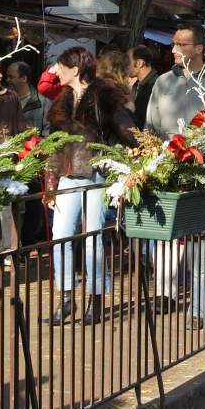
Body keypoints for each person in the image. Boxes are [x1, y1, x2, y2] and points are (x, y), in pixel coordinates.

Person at [143, 25, 205, 322]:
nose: (172, 49)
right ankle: (166, 292)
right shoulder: (161, 82)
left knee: (202, 243)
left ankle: (199, 307)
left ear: (199, 48)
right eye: (172, 43)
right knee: (165, 237)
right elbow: (151, 127)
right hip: (168, 171)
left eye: (180, 44)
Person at [44, 46, 137, 325]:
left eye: (60, 66)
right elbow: (53, 147)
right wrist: (51, 184)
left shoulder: (103, 95)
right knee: (60, 236)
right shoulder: (63, 100)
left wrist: (142, 151)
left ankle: (95, 299)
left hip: (96, 171)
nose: (55, 71)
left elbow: (126, 129)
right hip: (68, 173)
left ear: (75, 69)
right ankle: (67, 298)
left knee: (93, 237)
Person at [5, 60, 47, 133]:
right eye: (7, 77)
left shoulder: (43, 103)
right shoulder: (4, 101)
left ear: (24, 78)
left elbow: (48, 134)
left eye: (11, 77)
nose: (7, 80)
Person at [128, 45, 159, 128]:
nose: (126, 66)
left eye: (128, 62)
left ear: (139, 63)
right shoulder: (137, 84)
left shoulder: (156, 86)